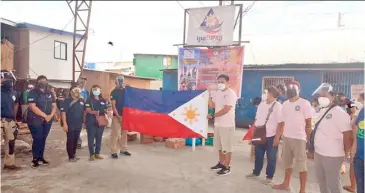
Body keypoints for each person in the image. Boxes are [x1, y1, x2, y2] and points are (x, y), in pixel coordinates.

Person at [311, 84, 353, 193]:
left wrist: (347, 153)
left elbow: (348, 135)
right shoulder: (322, 111)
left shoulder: (339, 113)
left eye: (325, 95)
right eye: (320, 96)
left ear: (333, 97)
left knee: (333, 184)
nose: (321, 98)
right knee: (322, 182)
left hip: (332, 155)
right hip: (319, 153)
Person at [272, 81, 312, 193]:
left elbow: (308, 123)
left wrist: (308, 139)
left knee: (301, 165)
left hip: (300, 139)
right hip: (287, 137)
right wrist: (277, 136)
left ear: (298, 89)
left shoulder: (305, 103)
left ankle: (302, 190)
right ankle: (286, 184)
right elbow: (281, 122)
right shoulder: (285, 104)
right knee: (287, 162)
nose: (289, 90)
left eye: (291, 87)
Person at [246, 87, 282, 184]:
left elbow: (280, 123)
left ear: (271, 94)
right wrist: (253, 134)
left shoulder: (277, 106)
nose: (264, 94)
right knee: (258, 155)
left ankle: (269, 177)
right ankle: (256, 172)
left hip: (271, 136)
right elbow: (257, 119)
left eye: (266, 92)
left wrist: (277, 137)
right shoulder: (261, 105)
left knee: (271, 157)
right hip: (259, 133)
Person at [207, 74, 237, 176]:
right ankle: (221, 163)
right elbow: (213, 105)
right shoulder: (218, 93)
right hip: (218, 124)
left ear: (227, 83)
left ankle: (227, 167)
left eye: (222, 82)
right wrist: (208, 96)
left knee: (227, 147)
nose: (220, 84)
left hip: (227, 125)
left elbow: (226, 109)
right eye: (218, 82)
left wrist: (213, 115)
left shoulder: (231, 93)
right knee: (219, 146)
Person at [27, 75, 57, 168]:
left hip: (48, 119)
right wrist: (45, 116)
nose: (43, 82)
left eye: (44, 80)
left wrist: (51, 115)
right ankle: (35, 159)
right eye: (41, 80)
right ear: (37, 82)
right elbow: (32, 106)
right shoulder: (32, 92)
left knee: (43, 138)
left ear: (47, 82)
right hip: (35, 119)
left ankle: (41, 157)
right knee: (38, 138)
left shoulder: (50, 93)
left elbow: (54, 105)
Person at [1, 70, 21, 170]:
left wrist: (14, 118)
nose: (9, 81)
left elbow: (16, 104)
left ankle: (9, 164)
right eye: (6, 78)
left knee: (11, 143)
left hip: (10, 121)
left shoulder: (14, 92)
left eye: (10, 79)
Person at [110, 76, 131, 159]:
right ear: (116, 82)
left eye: (122, 81)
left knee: (124, 134)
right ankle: (113, 151)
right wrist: (118, 116)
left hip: (125, 116)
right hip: (117, 116)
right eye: (119, 81)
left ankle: (123, 150)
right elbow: (113, 105)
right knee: (115, 134)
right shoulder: (114, 92)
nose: (121, 82)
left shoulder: (126, 91)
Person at [60, 86, 84, 162]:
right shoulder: (67, 101)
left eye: (78, 91)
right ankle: (70, 156)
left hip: (78, 124)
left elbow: (83, 112)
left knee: (76, 139)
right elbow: (63, 113)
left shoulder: (81, 100)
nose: (77, 92)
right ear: (71, 91)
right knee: (70, 139)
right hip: (70, 123)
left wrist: (83, 122)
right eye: (75, 90)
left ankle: (74, 154)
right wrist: (64, 124)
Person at [84, 85, 107, 161]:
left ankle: (97, 153)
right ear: (92, 90)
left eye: (98, 89)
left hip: (101, 121)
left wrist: (108, 111)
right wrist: (95, 112)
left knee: (99, 138)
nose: (96, 91)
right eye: (94, 89)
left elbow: (106, 108)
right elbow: (88, 110)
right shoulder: (89, 100)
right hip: (91, 121)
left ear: (100, 91)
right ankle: (91, 154)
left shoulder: (103, 100)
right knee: (91, 138)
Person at [353, 92, 364, 193]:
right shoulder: (362, 111)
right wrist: (353, 152)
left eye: (359, 100)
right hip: (359, 156)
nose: (358, 102)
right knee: (360, 187)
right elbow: (355, 128)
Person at [77, 76, 89, 149]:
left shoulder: (86, 92)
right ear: (78, 81)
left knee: (88, 127)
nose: (83, 83)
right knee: (78, 127)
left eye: (84, 82)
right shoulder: (75, 90)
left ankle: (91, 141)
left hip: (85, 111)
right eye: (81, 81)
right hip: (77, 111)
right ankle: (78, 142)